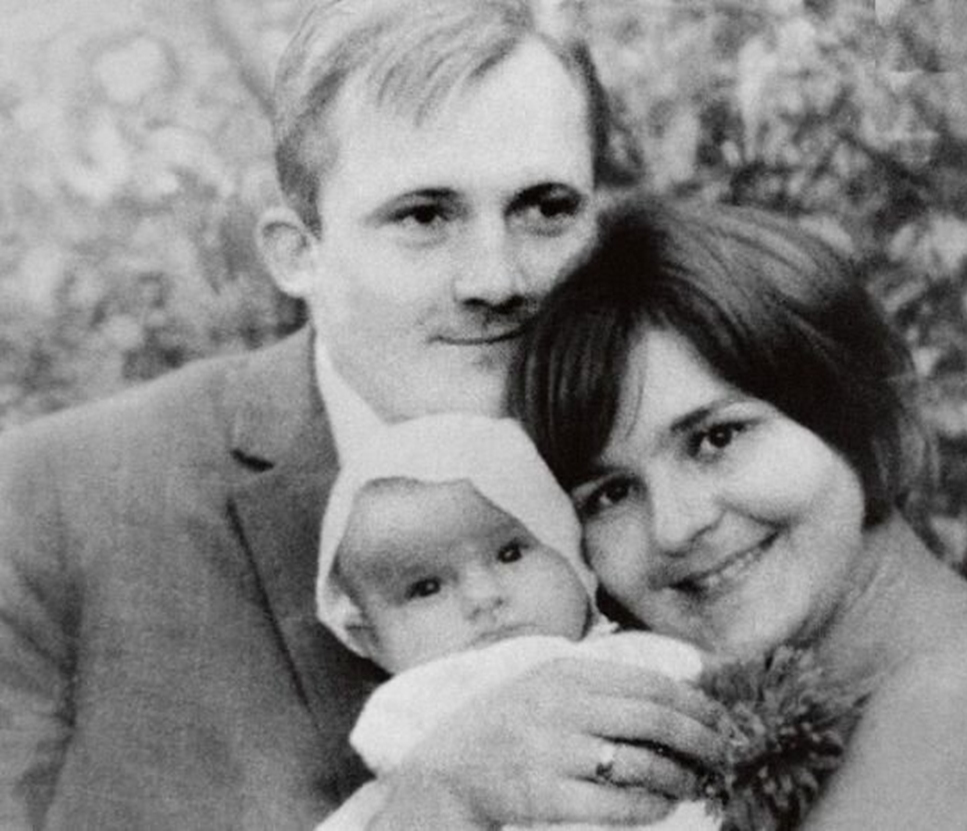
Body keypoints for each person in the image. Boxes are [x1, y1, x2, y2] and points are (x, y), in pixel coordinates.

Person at [0, 4, 722, 828]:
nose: (496, 279)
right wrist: (430, 807)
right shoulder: (52, 503)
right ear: (297, 252)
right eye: (424, 216)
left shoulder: (691, 475)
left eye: (546, 208)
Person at [360, 196, 967, 829]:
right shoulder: (768, 730)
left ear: (871, 422)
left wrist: (440, 805)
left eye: (716, 438)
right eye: (610, 493)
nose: (675, 526)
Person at [310, 412, 717, 831]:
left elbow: (727, 703)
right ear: (371, 640)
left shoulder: (637, 654)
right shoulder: (419, 710)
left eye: (511, 554)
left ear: (574, 556)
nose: (484, 597)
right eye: (426, 588)